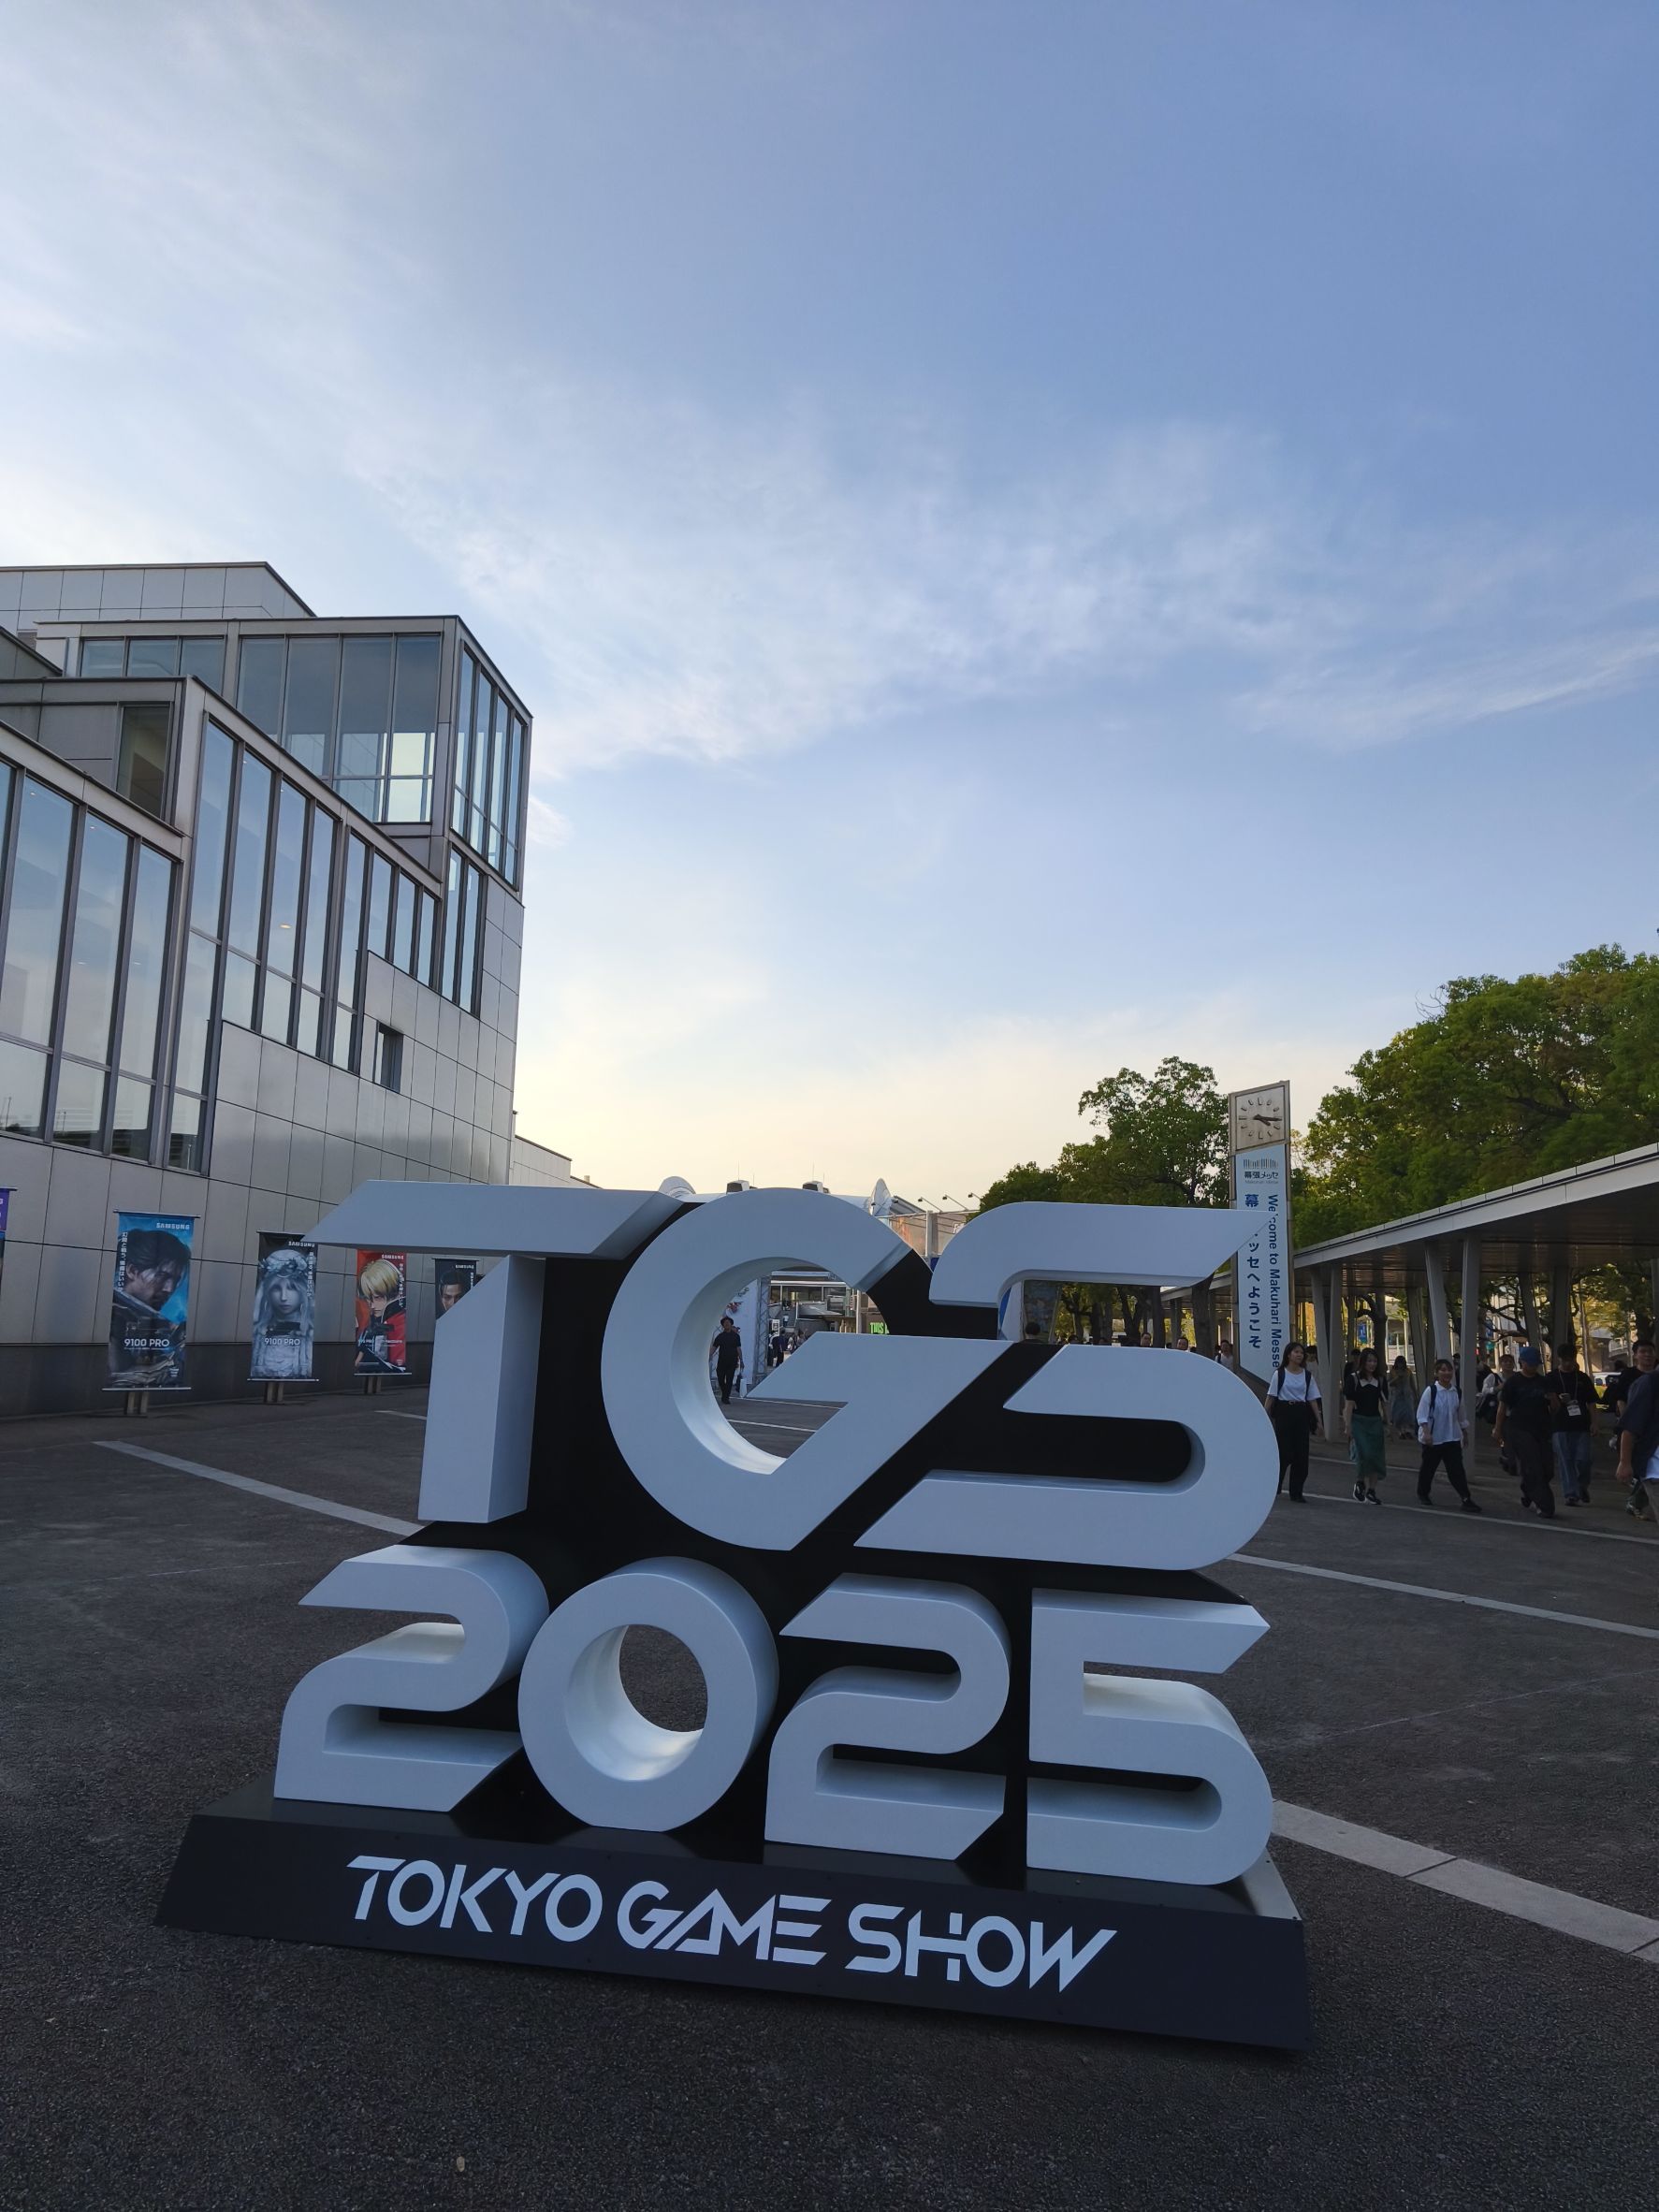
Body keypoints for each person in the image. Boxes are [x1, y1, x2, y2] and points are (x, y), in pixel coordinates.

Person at [1494, 1346, 1556, 1517]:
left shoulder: (1544, 1382)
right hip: (1519, 1428)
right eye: (1530, 1363)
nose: (1533, 1367)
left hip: (1542, 1429)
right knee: (1532, 1466)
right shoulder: (1513, 1382)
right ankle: (1545, 1505)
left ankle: (1528, 1490)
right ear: (1522, 1362)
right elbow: (1502, 1407)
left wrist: (1553, 1399)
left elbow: (1555, 1407)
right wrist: (1498, 1429)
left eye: (1536, 1364)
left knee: (1547, 1469)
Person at [1416, 1358, 1480, 1510]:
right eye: (1443, 1370)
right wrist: (1426, 1433)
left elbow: (1461, 1414)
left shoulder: (1456, 1392)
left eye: (1449, 1370)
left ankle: (1466, 1498)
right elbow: (1422, 1414)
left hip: (1452, 1437)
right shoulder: (1431, 1391)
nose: (1447, 1373)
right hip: (1434, 1438)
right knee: (1428, 1468)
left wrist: (1464, 1432)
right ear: (1436, 1373)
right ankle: (1423, 1493)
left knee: (1456, 1470)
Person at [1265, 1343, 1320, 1502]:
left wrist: (1319, 1421)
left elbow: (1312, 1399)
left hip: (1301, 1413)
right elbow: (1271, 1397)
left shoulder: (1307, 1376)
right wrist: (1264, 1415)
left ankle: (1296, 1492)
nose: (1299, 1355)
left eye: (1301, 1353)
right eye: (1296, 1352)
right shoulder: (1280, 1374)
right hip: (1284, 1413)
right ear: (1288, 1355)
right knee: (1284, 1452)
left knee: (1301, 1455)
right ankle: (1275, 1485)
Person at [1608, 1342, 1655, 1519]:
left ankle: (1638, 1500)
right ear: (1635, 1355)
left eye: (1650, 1352)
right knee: (1645, 1470)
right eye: (1643, 1352)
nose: (1647, 1355)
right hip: (1640, 1429)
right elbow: (1622, 1402)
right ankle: (1636, 1500)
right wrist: (1624, 1462)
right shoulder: (1641, 1380)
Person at [1549, 1343, 1598, 1506]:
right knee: (1565, 1460)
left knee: (1584, 1460)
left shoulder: (1582, 1378)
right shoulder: (1551, 1378)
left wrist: (1594, 1422)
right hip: (1560, 1425)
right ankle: (1571, 1494)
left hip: (1582, 1424)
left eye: (1571, 1360)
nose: (1568, 1363)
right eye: (1565, 1360)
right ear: (1559, 1359)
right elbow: (1547, 1403)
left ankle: (1582, 1485)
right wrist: (1555, 1399)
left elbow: (1592, 1402)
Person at [1343, 1346, 1389, 1504]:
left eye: (1375, 1361)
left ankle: (1372, 1490)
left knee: (1376, 1456)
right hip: (1358, 1421)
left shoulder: (1380, 1380)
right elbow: (1349, 1404)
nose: (1372, 1364)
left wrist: (1388, 1423)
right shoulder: (1353, 1379)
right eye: (1369, 1361)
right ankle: (1360, 1482)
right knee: (1363, 1453)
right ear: (1363, 1362)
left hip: (1375, 1421)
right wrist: (1348, 1425)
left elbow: (1384, 1403)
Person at [711, 1314, 743, 1404]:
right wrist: (708, 1356)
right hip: (722, 1361)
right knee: (720, 1378)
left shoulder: (736, 1336)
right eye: (725, 1323)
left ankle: (726, 1398)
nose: (727, 1324)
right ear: (723, 1325)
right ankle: (725, 1393)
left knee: (729, 1380)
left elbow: (738, 1348)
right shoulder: (720, 1336)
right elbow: (714, 1347)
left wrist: (741, 1360)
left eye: (728, 1322)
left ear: (731, 1324)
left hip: (732, 1361)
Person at [1387, 1356, 1417, 1440]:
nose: (1400, 1365)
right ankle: (1401, 1431)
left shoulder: (1408, 1371)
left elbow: (1412, 1384)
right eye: (1399, 1363)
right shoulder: (1393, 1371)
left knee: (1408, 1414)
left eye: (1402, 1363)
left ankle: (1407, 1431)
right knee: (1398, 1414)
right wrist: (1397, 1378)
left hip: (1407, 1396)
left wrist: (1415, 1394)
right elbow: (1389, 1383)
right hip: (1397, 1396)